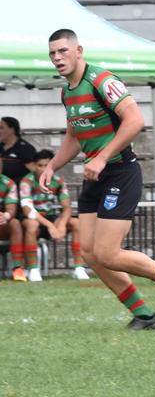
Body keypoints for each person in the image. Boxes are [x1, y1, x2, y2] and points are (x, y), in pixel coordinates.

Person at [41, 28, 155, 330]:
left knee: (108, 252)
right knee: (89, 252)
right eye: (52, 54)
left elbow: (135, 119)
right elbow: (75, 135)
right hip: (95, 175)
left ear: (78, 50)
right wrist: (52, 166)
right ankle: (144, 315)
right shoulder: (67, 91)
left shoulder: (101, 81)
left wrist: (101, 156)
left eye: (62, 51)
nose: (57, 58)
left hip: (120, 172)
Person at [20, 149, 89, 281]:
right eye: (40, 165)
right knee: (32, 224)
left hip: (51, 218)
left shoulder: (58, 181)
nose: (43, 169)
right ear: (34, 166)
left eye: (47, 165)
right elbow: (28, 210)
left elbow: (67, 207)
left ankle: (79, 268)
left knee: (77, 223)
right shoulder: (26, 181)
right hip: (32, 219)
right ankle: (33, 269)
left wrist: (61, 225)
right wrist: (51, 226)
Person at [0, 116, 36, 281]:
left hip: (17, 200)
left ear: (12, 129)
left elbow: (36, 172)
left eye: (2, 127)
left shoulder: (24, 148)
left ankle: (19, 268)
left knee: (16, 223)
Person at [0, 166, 24, 280]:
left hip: (1, 224)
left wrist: (6, 215)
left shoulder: (8, 183)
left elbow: (11, 209)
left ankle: (18, 268)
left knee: (14, 223)